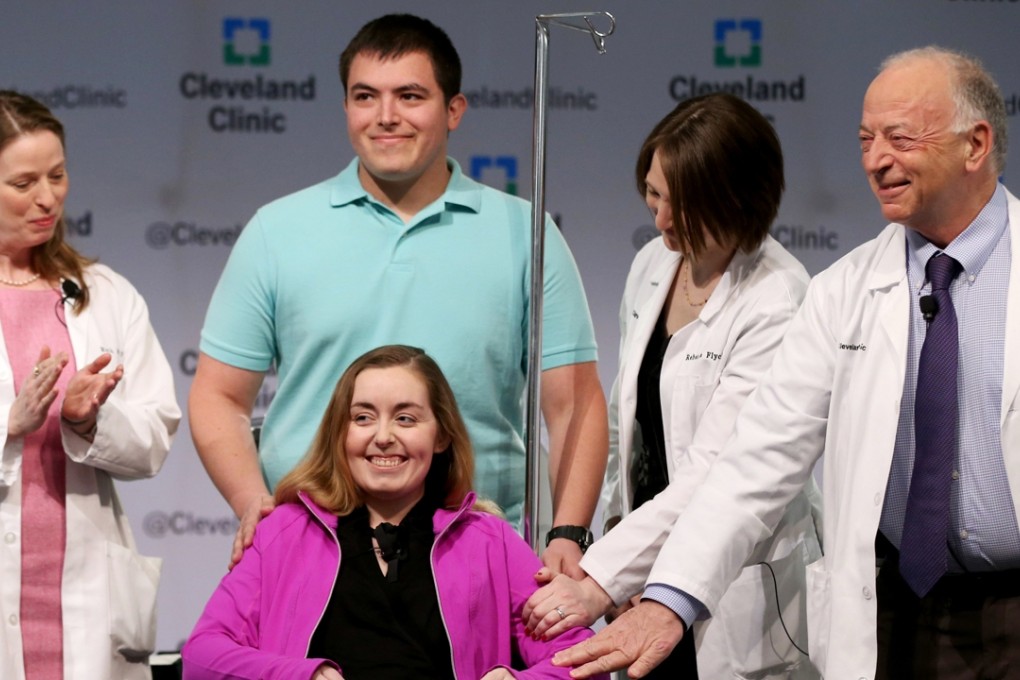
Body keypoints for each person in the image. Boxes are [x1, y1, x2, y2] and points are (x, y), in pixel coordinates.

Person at [550, 46, 1019, 680]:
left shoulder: (783, 292)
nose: (876, 160)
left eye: (900, 138)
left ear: (975, 144)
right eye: (866, 140)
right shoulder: (844, 290)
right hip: (893, 610)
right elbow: (756, 459)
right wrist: (668, 596)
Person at [189, 13, 607, 577]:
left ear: (453, 110)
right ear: (346, 107)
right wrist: (253, 506)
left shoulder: (525, 234)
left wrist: (568, 533)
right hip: (310, 546)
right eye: (366, 96)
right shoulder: (277, 230)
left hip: (476, 550)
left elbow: (574, 402)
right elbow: (218, 395)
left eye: (410, 96)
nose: (386, 116)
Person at [523, 94, 822, 679]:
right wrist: (604, 541)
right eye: (653, 195)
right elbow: (629, 424)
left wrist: (604, 576)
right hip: (639, 577)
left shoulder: (777, 299)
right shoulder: (652, 265)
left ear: (737, 199)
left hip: (732, 590)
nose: (661, 221)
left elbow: (716, 473)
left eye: (681, 205)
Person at [182, 344, 608, 680]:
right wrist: (300, 675)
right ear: (340, 433)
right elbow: (201, 656)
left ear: (441, 436)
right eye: (363, 417)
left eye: (405, 419)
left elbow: (584, 657)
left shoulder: (490, 542)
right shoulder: (283, 533)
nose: (383, 436)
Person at [0, 91, 181, 679]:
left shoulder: (105, 294)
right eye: (23, 183)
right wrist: (9, 427)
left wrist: (86, 421)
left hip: (86, 595)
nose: (47, 197)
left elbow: (153, 438)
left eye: (57, 175)